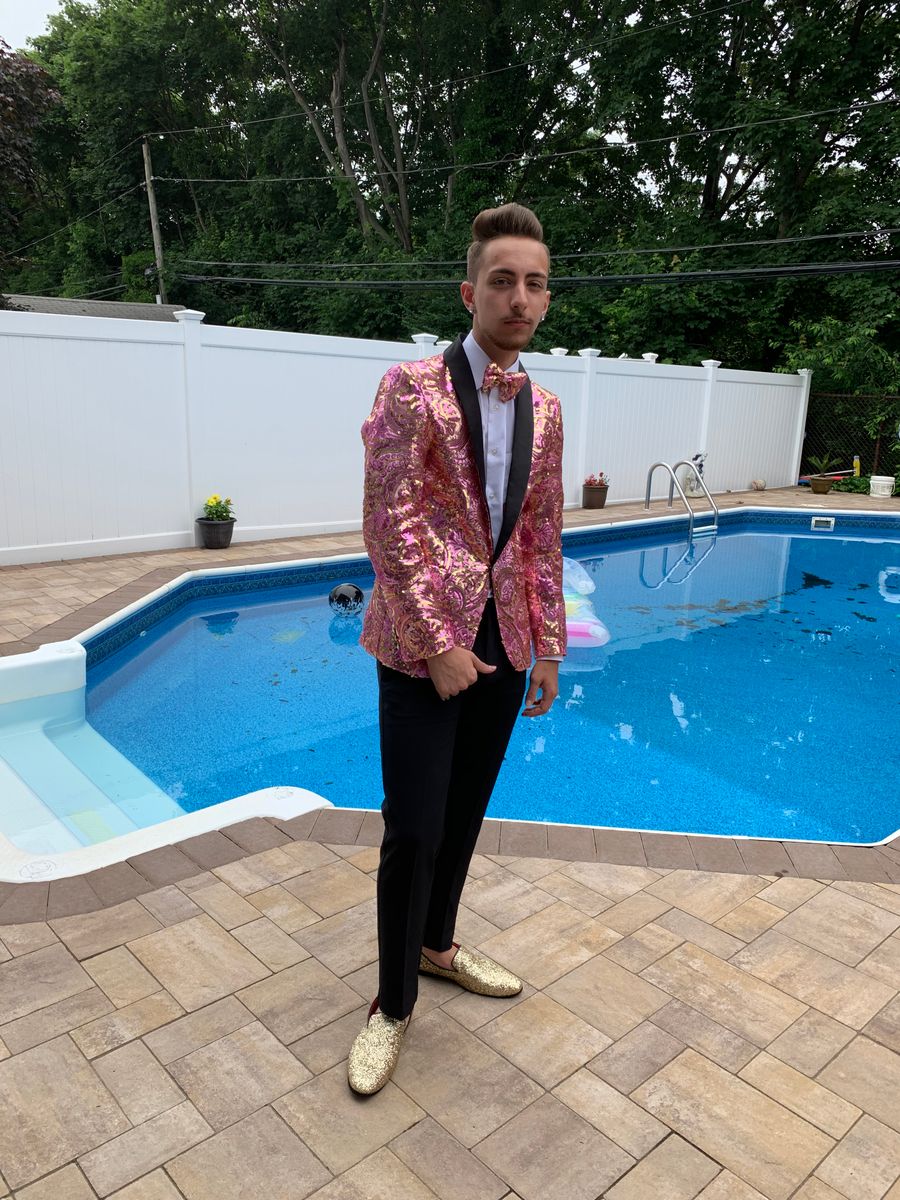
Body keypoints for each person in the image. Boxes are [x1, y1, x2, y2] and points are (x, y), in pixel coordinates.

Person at [348, 203, 566, 1095]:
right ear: (469, 289)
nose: (521, 297)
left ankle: (438, 948)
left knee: (467, 812)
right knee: (416, 826)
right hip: (419, 645)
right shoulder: (411, 387)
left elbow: (543, 531)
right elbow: (388, 521)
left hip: (507, 640)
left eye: (537, 282)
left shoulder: (546, 407)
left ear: (547, 299)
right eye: (505, 280)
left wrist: (548, 644)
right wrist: (438, 642)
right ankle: (391, 1005)